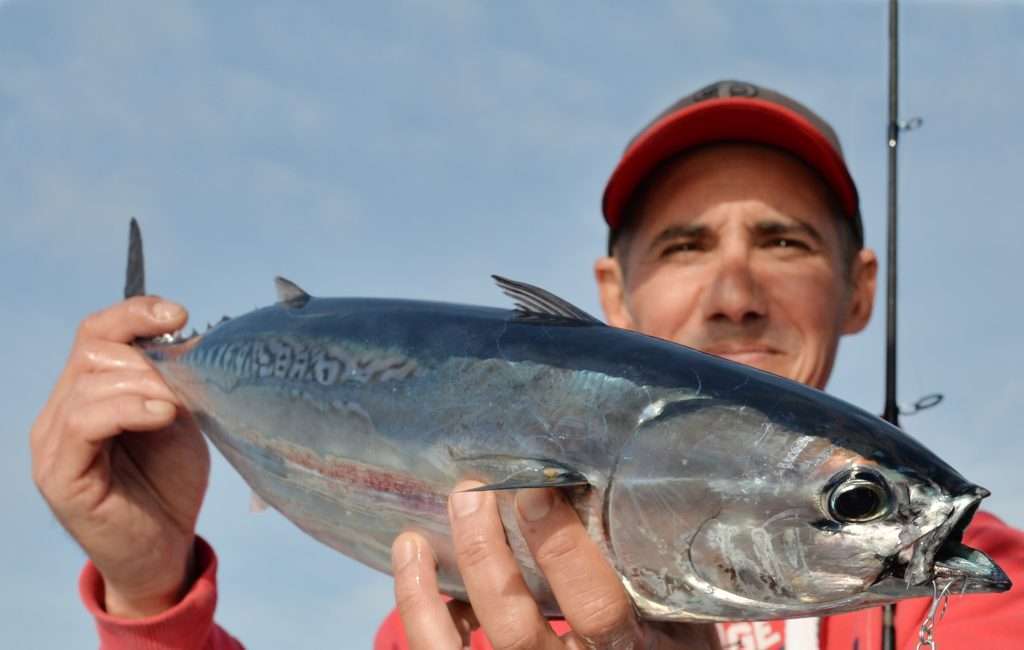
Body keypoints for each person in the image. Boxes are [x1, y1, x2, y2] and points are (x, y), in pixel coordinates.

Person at [30, 80, 1024, 650]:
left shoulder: (985, 594)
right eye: (683, 245)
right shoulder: (472, 603)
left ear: (858, 286)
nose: (733, 292)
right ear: (611, 293)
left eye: (783, 242)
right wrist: (149, 584)